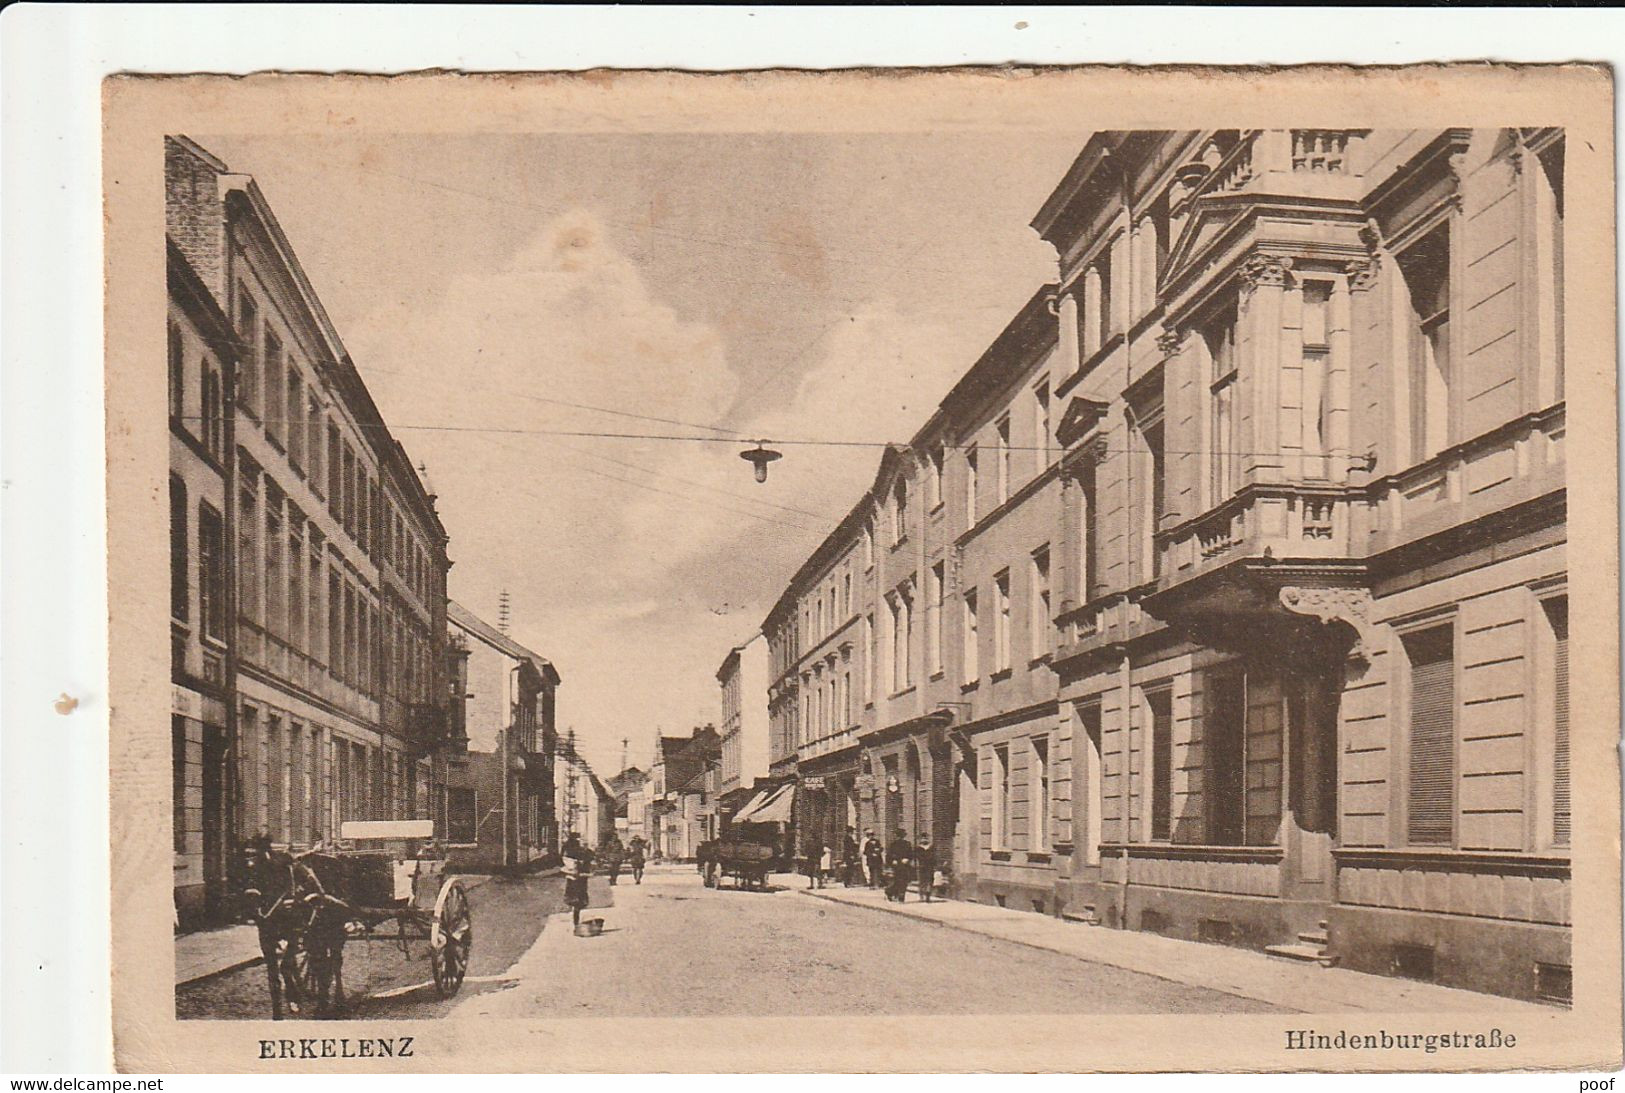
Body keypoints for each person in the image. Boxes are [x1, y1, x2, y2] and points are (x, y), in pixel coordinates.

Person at [562, 834, 595, 929]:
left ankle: (576, 918)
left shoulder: (587, 852)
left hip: (579, 879)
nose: (583, 845)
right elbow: (567, 865)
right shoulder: (572, 852)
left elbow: (591, 864)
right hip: (576, 879)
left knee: (578, 899)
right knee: (577, 900)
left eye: (585, 843)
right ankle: (576, 921)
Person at [885, 828, 914, 903]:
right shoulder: (893, 844)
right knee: (898, 880)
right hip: (897, 865)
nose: (897, 837)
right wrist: (892, 861)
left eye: (898, 836)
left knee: (904, 881)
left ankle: (901, 896)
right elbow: (889, 855)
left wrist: (907, 859)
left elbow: (910, 854)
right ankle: (890, 892)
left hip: (905, 865)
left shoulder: (907, 844)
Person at [915, 834, 936, 903]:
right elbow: (916, 857)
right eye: (923, 838)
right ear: (920, 839)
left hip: (930, 866)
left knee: (929, 881)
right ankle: (921, 896)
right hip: (921, 866)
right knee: (921, 881)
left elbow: (934, 857)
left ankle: (928, 897)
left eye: (926, 838)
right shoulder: (918, 848)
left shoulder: (931, 847)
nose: (924, 840)